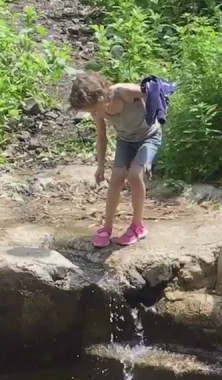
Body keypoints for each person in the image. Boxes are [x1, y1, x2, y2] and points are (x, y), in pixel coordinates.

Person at [68, 70, 176, 248]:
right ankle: (107, 227)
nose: (96, 113)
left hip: (149, 137)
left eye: (95, 109)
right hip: (125, 140)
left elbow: (156, 92)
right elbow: (101, 137)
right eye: (92, 112)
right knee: (116, 178)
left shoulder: (125, 92)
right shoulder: (98, 111)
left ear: (103, 93)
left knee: (134, 175)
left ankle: (137, 226)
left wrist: (160, 115)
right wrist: (100, 166)